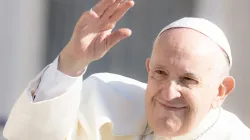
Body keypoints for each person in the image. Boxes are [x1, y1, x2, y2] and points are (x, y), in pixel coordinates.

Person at [3, 0, 250, 139]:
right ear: (148, 69)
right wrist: (72, 62)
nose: (168, 92)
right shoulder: (103, 102)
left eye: (187, 80)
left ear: (220, 91)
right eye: (160, 73)